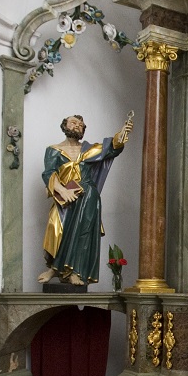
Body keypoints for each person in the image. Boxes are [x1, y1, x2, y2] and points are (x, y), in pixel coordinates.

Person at [38, 113, 133, 287]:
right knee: (59, 230)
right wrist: (61, 190)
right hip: (65, 197)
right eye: (73, 123)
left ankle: (75, 272)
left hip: (88, 196)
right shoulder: (53, 150)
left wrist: (121, 134)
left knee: (83, 234)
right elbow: (49, 173)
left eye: (81, 125)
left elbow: (111, 147)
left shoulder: (88, 150)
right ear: (64, 126)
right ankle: (54, 269)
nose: (77, 126)